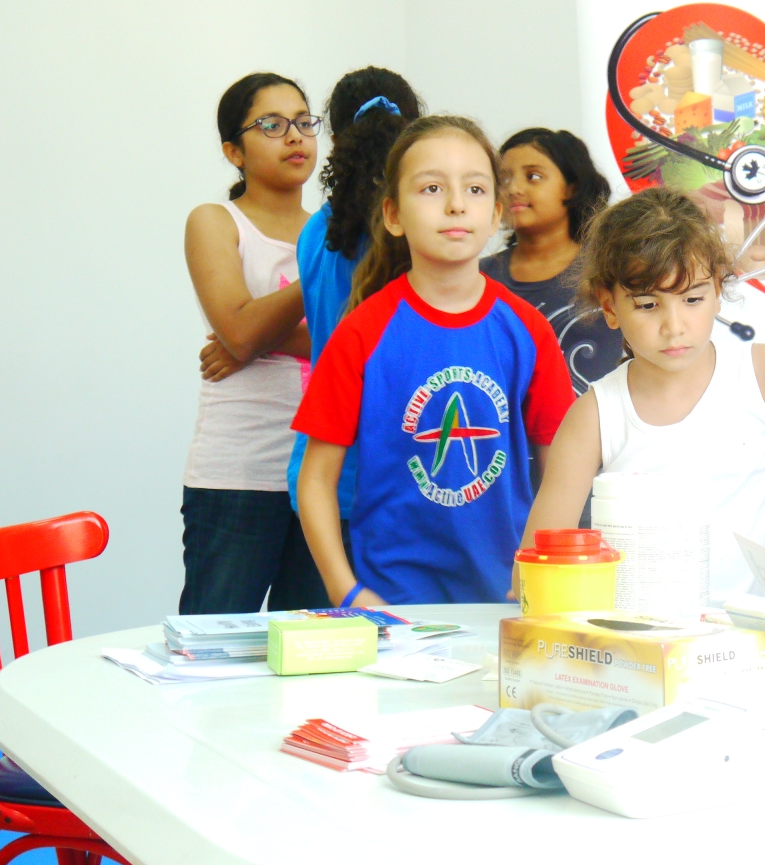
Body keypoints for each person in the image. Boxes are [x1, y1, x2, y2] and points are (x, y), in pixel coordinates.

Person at [293, 116, 574, 605]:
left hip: (504, 599)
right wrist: (347, 590)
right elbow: (315, 480)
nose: (455, 204)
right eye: (430, 188)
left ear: (496, 214)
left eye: (475, 188)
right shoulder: (362, 332)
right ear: (393, 215)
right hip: (391, 604)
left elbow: (564, 468)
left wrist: (541, 576)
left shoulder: (527, 330)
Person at [518, 187, 765, 601]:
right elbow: (535, 562)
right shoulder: (595, 414)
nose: (675, 326)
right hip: (644, 650)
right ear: (610, 307)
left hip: (762, 643)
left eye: (692, 299)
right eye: (648, 305)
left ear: (719, 290)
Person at [180, 73, 325, 614]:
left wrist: (254, 339)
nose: (295, 137)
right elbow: (237, 328)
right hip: (238, 472)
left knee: (312, 652)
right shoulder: (217, 221)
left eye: (304, 122)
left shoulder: (331, 232)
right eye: (272, 125)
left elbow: (359, 347)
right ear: (233, 151)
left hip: (322, 472)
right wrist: (320, 265)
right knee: (211, 644)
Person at [282, 67, 422, 530]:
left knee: (335, 605)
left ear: (338, 139)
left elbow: (328, 333)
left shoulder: (314, 231)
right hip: (397, 472)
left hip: (321, 468)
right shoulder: (414, 232)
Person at [480, 128, 621, 393]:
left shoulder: (611, 267)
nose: (514, 189)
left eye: (533, 176)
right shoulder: (476, 278)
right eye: (504, 179)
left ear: (572, 187)